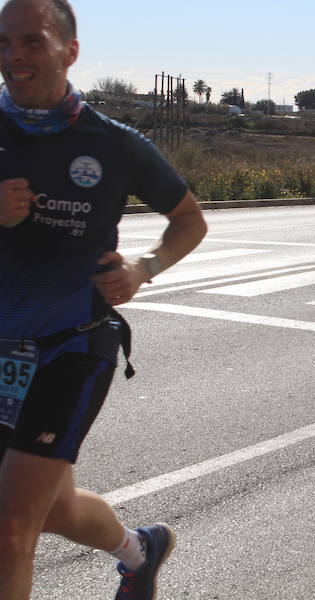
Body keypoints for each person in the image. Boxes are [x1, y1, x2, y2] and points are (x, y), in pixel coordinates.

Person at [0, 1, 207, 599]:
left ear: (70, 51)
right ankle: (140, 551)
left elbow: (189, 220)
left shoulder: (113, 145)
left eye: (32, 41)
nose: (15, 56)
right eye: (5, 41)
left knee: (12, 529)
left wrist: (145, 267)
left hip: (71, 344)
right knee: (52, 509)